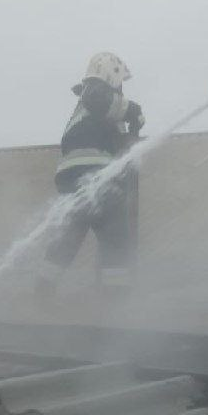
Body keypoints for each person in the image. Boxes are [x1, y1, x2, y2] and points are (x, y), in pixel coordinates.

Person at [37, 52, 144, 298]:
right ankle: (114, 300)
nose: (122, 88)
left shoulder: (95, 114)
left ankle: (43, 290)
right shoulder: (94, 93)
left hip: (75, 184)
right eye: (120, 82)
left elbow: (118, 153)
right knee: (116, 240)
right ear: (110, 74)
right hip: (97, 181)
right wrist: (134, 111)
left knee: (68, 237)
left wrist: (129, 140)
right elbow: (103, 100)